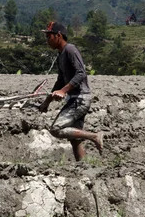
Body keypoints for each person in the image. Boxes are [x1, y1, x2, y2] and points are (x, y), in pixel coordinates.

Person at [38, 21, 103, 161]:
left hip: (80, 99)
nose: (47, 40)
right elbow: (60, 80)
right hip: (74, 98)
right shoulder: (60, 55)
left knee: (56, 129)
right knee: (75, 139)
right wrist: (47, 101)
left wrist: (63, 91)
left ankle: (94, 136)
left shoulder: (70, 50)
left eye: (49, 36)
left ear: (58, 35)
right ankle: (83, 167)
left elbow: (81, 73)